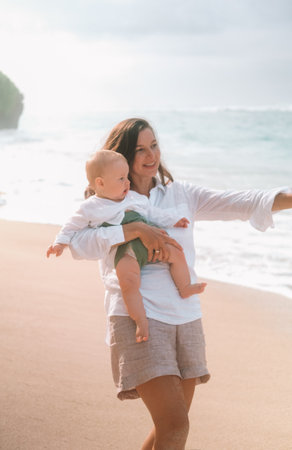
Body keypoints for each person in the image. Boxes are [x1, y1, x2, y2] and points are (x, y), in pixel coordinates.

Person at [68, 118, 292, 450]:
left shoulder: (181, 194)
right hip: (138, 318)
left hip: (185, 317)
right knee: (175, 426)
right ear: (122, 156)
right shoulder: (106, 204)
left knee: (168, 430)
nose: (150, 155)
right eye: (139, 149)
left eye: (154, 145)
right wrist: (133, 231)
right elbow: (77, 245)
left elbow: (243, 201)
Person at [47, 149, 206, 343]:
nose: (127, 183)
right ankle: (140, 321)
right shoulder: (91, 207)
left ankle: (185, 286)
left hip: (152, 241)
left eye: (127, 177)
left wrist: (174, 220)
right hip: (126, 251)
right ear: (100, 183)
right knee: (128, 284)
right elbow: (72, 225)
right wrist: (59, 243)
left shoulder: (133, 198)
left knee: (176, 253)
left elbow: (153, 213)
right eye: (121, 179)